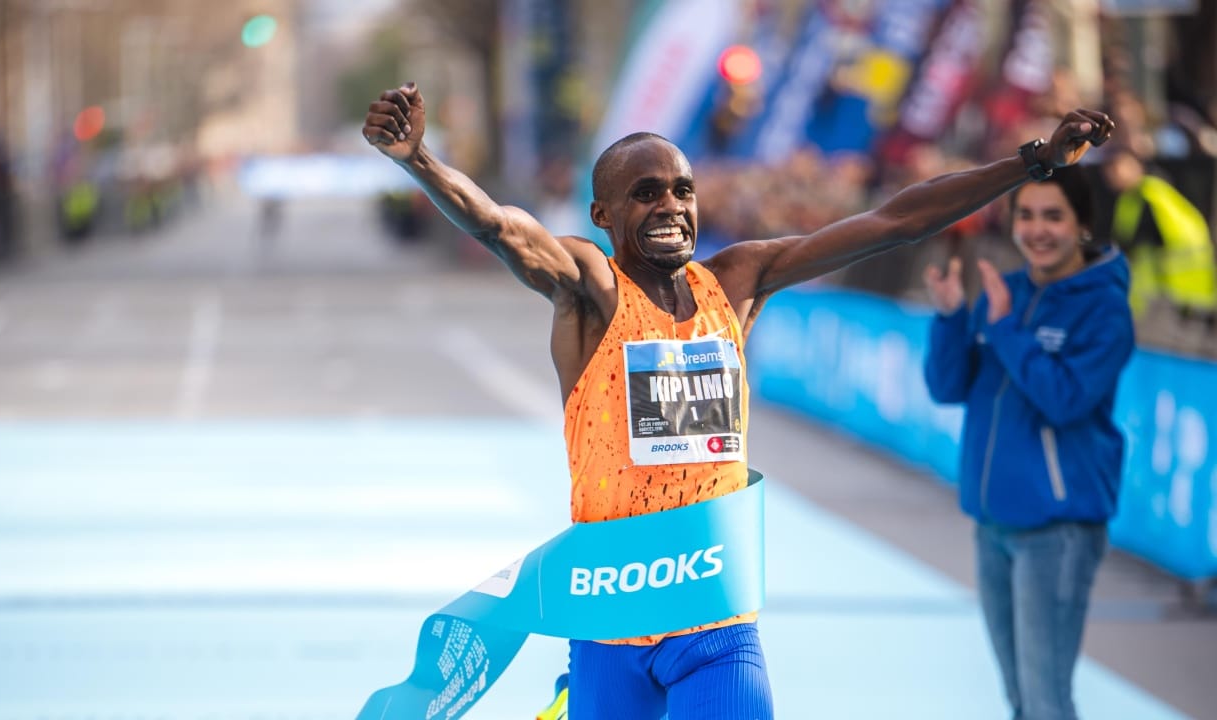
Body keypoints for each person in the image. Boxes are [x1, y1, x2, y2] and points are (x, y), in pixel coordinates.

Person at [363, 80, 1112, 720]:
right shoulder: (592, 291)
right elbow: (502, 228)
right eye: (645, 193)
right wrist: (419, 161)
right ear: (602, 216)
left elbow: (894, 221)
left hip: (715, 616)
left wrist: (1033, 162)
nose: (671, 205)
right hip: (610, 616)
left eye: (683, 190)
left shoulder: (738, 282)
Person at [922, 165, 1135, 720]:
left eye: (1053, 216)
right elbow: (949, 387)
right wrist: (951, 317)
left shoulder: (1104, 309)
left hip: (1057, 533)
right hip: (993, 523)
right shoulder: (1008, 291)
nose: (1037, 230)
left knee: (1045, 701)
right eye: (1027, 215)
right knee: (1020, 698)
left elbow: (1066, 400)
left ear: (1083, 223)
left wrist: (1007, 330)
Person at [1101, 146, 1216, 321]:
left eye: (1117, 169)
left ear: (1135, 166)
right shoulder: (1136, 196)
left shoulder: (1148, 194)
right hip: (1170, 289)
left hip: (1173, 289)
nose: (1112, 177)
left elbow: (1142, 237)